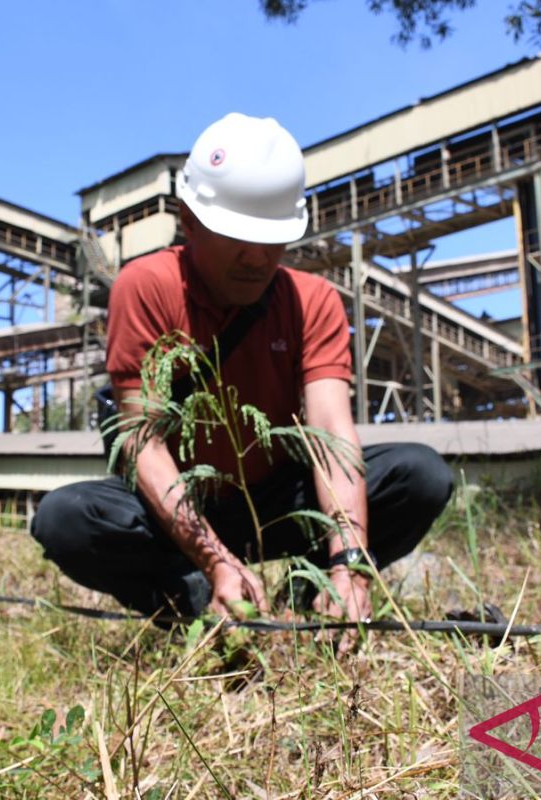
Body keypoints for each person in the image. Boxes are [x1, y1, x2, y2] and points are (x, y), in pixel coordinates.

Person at [31, 112, 453, 634]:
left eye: (272, 239)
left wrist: (351, 564)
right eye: (236, 237)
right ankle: (201, 601)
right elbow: (143, 441)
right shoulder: (144, 287)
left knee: (420, 475)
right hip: (181, 502)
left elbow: (331, 439)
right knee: (66, 518)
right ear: (189, 220)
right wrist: (213, 559)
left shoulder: (312, 300)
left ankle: (315, 597)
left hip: (278, 498)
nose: (256, 258)